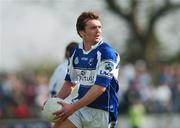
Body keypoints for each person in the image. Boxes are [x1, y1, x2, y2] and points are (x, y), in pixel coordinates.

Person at [53, 11, 120, 128]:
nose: (98, 30)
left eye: (99, 27)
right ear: (82, 32)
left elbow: (99, 89)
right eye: (93, 28)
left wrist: (72, 108)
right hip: (81, 108)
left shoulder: (107, 53)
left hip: (102, 111)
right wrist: (55, 101)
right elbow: (70, 82)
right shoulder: (75, 52)